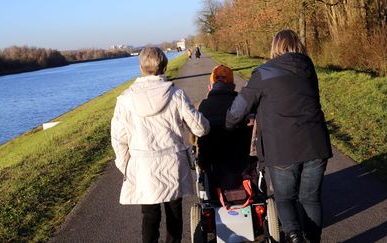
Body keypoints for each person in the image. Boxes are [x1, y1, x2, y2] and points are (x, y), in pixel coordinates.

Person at [226, 29, 332, 243]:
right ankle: (312, 239)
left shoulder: (263, 73)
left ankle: (294, 237)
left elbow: (237, 110)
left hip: (283, 147)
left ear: (275, 47)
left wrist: (230, 123)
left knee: (285, 198)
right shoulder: (308, 67)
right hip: (316, 144)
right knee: (310, 199)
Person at [111, 47, 210, 243]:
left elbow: (118, 138)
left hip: (144, 166)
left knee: (149, 215)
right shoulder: (175, 94)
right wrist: (205, 124)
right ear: (164, 66)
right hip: (172, 163)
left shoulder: (126, 99)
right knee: (174, 213)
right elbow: (199, 128)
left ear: (141, 66)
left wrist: (125, 166)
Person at [194, 65, 256, 199]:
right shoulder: (242, 104)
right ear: (233, 85)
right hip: (241, 160)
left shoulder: (203, 106)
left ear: (211, 85)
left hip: (213, 161)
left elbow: (195, 137)